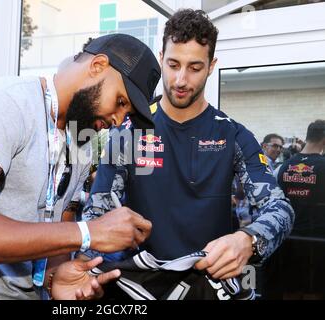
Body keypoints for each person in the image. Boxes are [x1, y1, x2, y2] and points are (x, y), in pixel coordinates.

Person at [0, 33, 159, 300]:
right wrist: (89, 232)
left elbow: (58, 231)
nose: (118, 120)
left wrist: (55, 278)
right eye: (121, 102)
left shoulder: (83, 143)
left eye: (127, 115)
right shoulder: (2, 104)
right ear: (97, 66)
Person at [82, 9, 294, 298]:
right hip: (140, 288)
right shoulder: (127, 132)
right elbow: (96, 214)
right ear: (161, 59)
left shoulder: (233, 135)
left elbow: (280, 208)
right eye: (173, 64)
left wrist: (248, 240)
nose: (180, 79)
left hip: (208, 285)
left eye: (194, 67)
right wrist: (85, 271)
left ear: (211, 66)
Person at [270, 119, 325, 299]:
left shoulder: (280, 167)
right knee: (314, 292)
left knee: (290, 290)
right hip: (317, 242)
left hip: (288, 241)